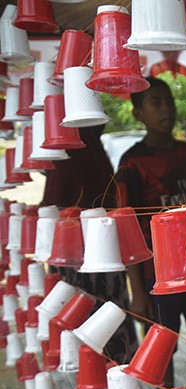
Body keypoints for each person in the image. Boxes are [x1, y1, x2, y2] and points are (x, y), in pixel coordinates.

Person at [115, 77, 186, 388]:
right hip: (158, 276)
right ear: (138, 113)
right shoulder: (132, 164)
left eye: (169, 101)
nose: (166, 108)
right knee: (161, 349)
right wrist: (137, 290)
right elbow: (127, 229)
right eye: (156, 103)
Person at [42, 124, 138, 364]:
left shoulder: (90, 150)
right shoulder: (73, 149)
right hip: (82, 252)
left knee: (105, 319)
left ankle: (105, 369)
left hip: (96, 246)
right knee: (89, 319)